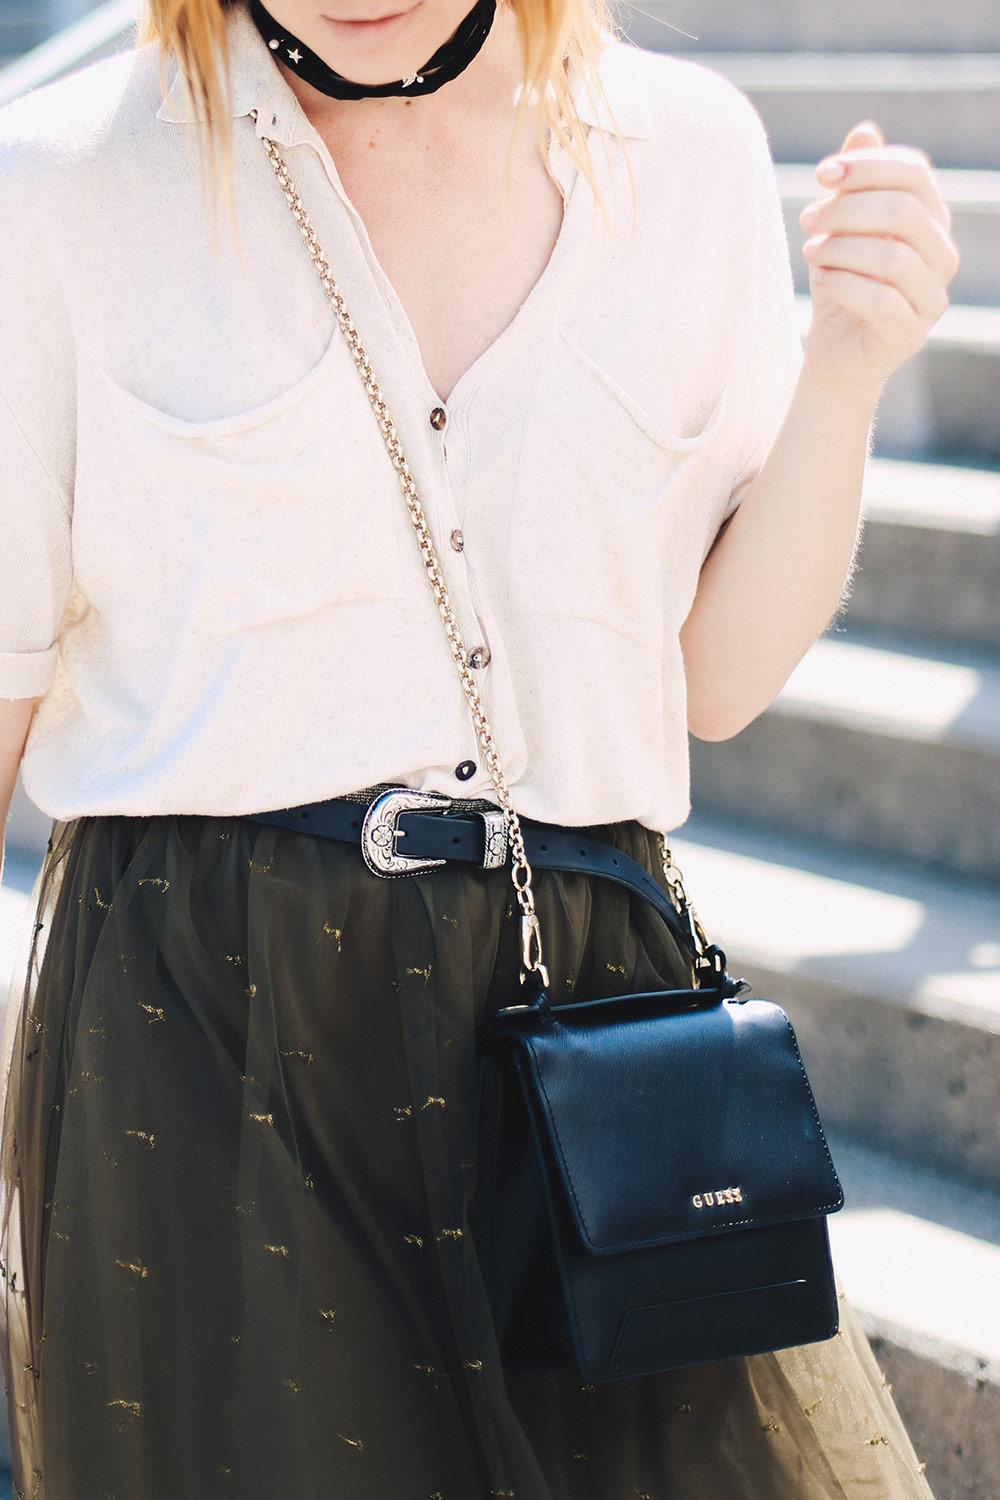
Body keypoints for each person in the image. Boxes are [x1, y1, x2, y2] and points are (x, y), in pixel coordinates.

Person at [0, 0, 957, 1495]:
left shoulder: (684, 158)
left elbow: (713, 678)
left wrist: (846, 371)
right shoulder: (60, 182)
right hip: (196, 1030)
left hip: (589, 1004)